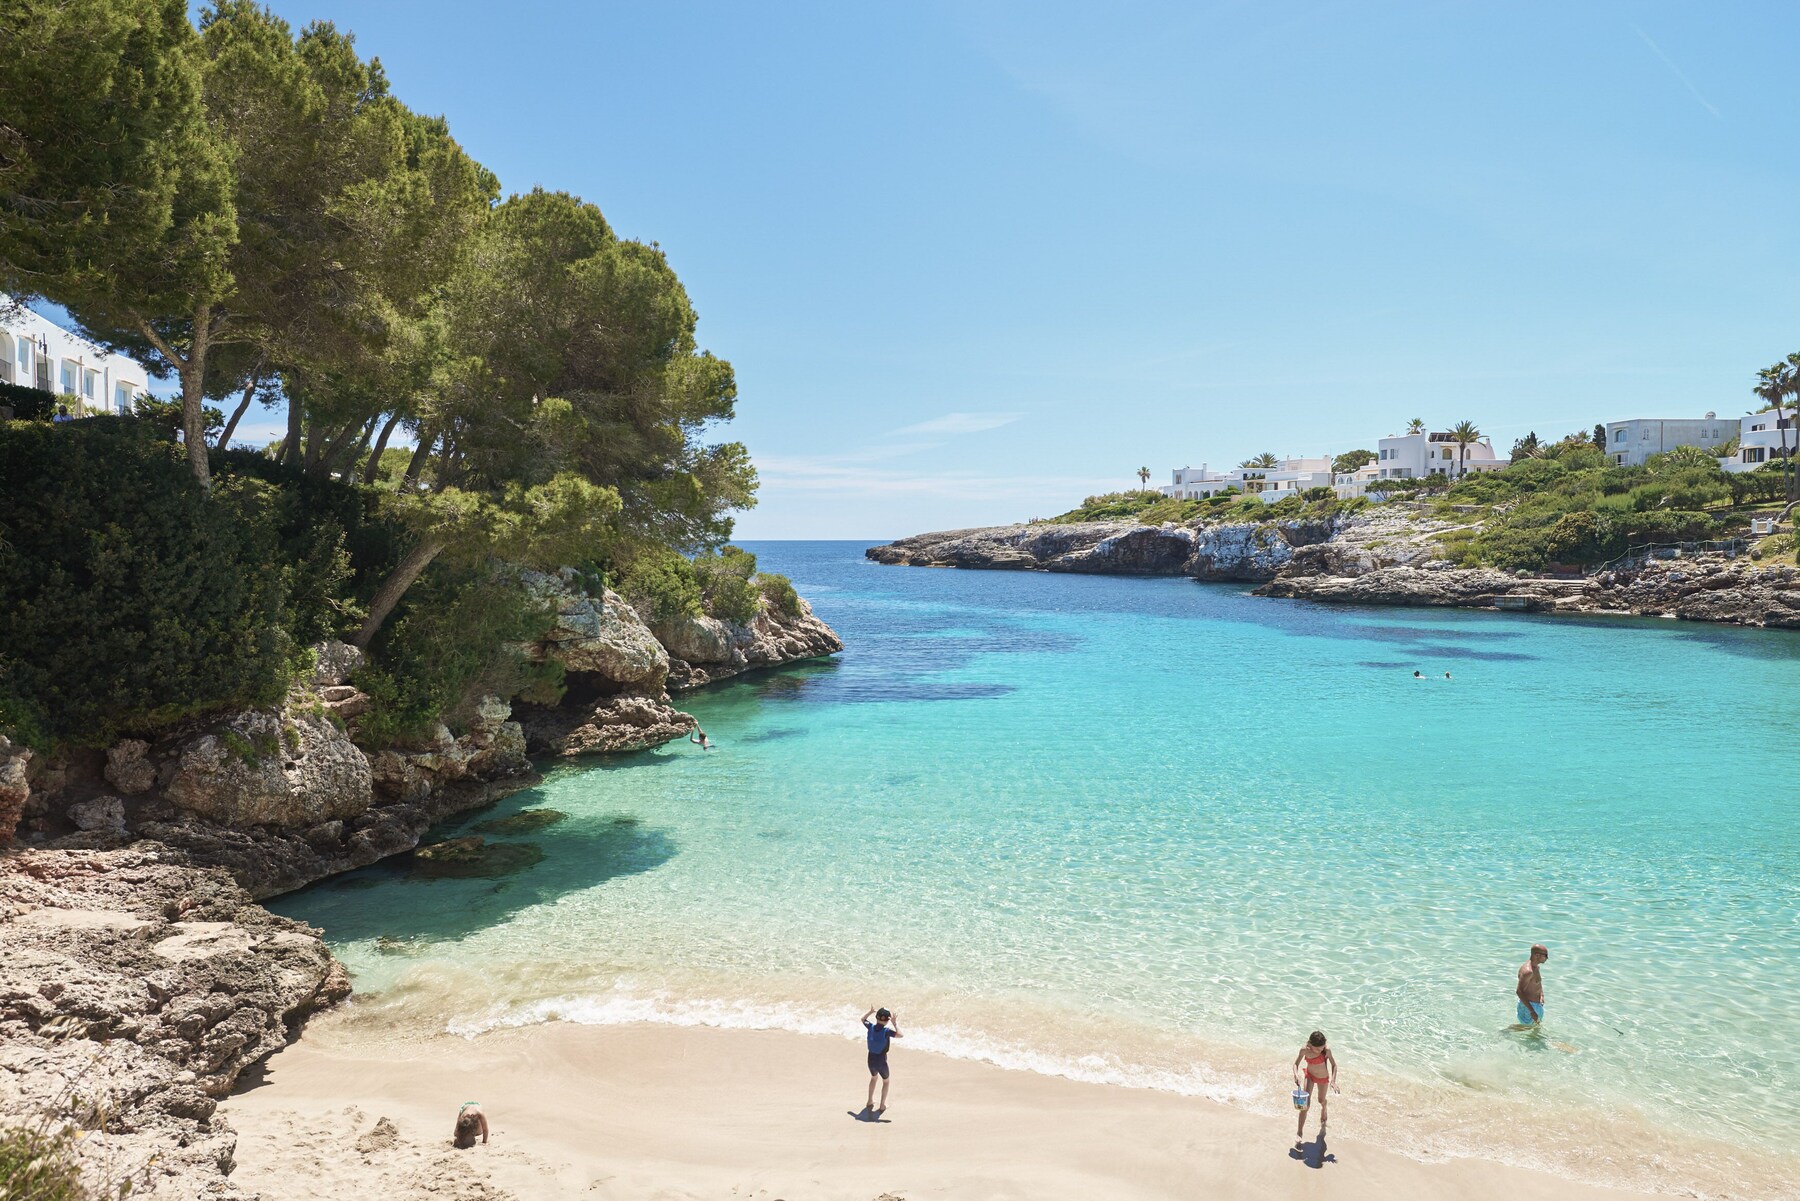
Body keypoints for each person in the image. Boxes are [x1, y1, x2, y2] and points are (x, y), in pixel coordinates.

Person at [1292, 1030, 1338, 1147]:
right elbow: (1295, 1064)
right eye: (1318, 1049)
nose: (1320, 1050)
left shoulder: (1326, 1050)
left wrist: (1333, 1081)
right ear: (1310, 1044)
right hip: (1310, 1076)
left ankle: (1324, 1107)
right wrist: (1296, 1075)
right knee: (1305, 1105)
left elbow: (1334, 1065)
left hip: (1323, 1078)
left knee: (1321, 1100)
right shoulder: (1304, 1050)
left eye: (1322, 1048)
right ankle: (1299, 1132)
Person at [861, 1006, 903, 1113]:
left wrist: (870, 1012)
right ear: (888, 1020)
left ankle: (870, 1101)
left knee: (873, 1078)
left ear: (876, 1017)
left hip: (870, 1059)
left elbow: (862, 1019)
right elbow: (900, 1035)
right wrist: (895, 1023)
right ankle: (882, 1105)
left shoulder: (870, 1027)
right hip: (881, 1061)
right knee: (886, 1081)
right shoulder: (886, 1031)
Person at [1516, 944, 1549, 1027]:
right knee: (1526, 1028)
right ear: (1537, 955)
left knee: (1535, 1028)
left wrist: (1542, 995)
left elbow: (1538, 982)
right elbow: (1519, 991)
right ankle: (1507, 1031)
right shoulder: (1528, 971)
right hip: (1528, 1007)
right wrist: (1531, 1011)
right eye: (1545, 955)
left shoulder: (1536, 967)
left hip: (1536, 1005)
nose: (1547, 958)